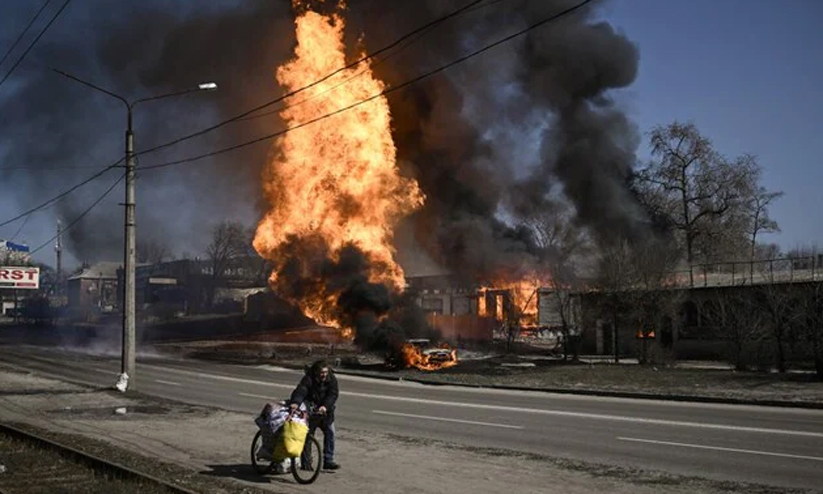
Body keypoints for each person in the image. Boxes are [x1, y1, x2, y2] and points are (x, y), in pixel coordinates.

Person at [289, 359, 340, 470]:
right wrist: (295, 403)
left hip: (326, 413)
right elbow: (301, 390)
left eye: (326, 372)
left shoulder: (332, 379)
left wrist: (325, 406)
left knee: (330, 433)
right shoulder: (309, 378)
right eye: (322, 372)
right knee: (308, 436)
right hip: (311, 412)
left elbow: (333, 394)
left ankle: (329, 460)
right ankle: (306, 463)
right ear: (317, 372)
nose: (324, 375)